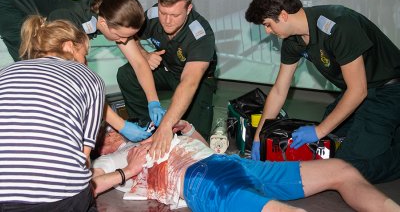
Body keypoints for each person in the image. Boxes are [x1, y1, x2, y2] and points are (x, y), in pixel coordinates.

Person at [245, 0, 400, 184]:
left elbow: (358, 90)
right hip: (363, 91)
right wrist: (259, 137)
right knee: (328, 143)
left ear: (283, 15)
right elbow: (279, 90)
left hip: (389, 90)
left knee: (346, 169)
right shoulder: (293, 41)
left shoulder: (339, 25)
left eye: (267, 24)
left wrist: (319, 131)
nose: (267, 31)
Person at [91, 120, 400, 212]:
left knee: (341, 170)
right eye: (104, 129)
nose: (113, 128)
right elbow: (86, 185)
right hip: (203, 181)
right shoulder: (112, 158)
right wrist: (127, 172)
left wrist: (190, 132)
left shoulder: (147, 134)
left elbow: (203, 148)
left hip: (231, 162)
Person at [0, 0, 164, 143]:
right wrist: (121, 125)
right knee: (37, 74)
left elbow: (138, 62)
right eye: (120, 37)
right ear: (103, 23)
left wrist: (153, 101)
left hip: (40, 1)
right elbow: (83, 86)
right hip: (11, 3)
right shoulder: (68, 19)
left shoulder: (110, 12)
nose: (123, 41)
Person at [0, 15, 104, 211]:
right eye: (84, 54)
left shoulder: (5, 72)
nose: (85, 61)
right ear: (68, 46)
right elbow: (84, 156)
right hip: (56, 197)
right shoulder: (91, 78)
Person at [117, 0, 217, 159]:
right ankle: (145, 128)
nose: (167, 21)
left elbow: (189, 82)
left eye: (175, 15)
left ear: (188, 9)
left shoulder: (201, 34)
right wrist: (145, 54)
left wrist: (166, 126)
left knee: (195, 147)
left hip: (196, 82)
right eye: (164, 13)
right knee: (127, 74)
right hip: (166, 69)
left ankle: (163, 131)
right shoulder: (154, 14)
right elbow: (129, 34)